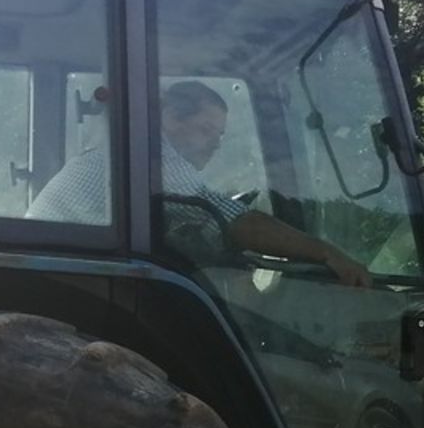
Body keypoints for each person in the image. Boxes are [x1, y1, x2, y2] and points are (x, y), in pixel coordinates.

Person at [29, 80, 371, 287]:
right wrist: (327, 252)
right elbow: (236, 221)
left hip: (61, 277)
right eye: (206, 130)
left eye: (220, 135)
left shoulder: (129, 157)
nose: (216, 144)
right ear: (171, 119)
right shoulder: (149, 155)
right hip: (58, 282)